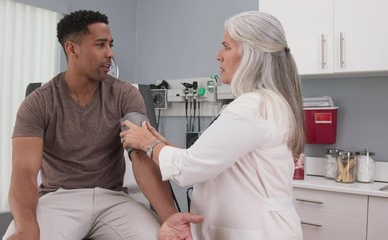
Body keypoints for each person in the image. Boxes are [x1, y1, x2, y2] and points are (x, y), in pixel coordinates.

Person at [121, 11, 305, 240]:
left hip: (259, 231)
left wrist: (148, 143)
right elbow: (216, 162)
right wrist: (161, 146)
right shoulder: (270, 103)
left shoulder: (254, 106)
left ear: (251, 54)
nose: (219, 55)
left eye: (226, 46)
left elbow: (189, 168)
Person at [2, 10, 181, 240]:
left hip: (114, 200)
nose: (110, 53)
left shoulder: (125, 95)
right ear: (71, 49)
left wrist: (169, 217)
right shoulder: (38, 102)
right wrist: (27, 227)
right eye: (100, 45)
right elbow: (24, 173)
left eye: (110, 44)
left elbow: (141, 156)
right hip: (60, 199)